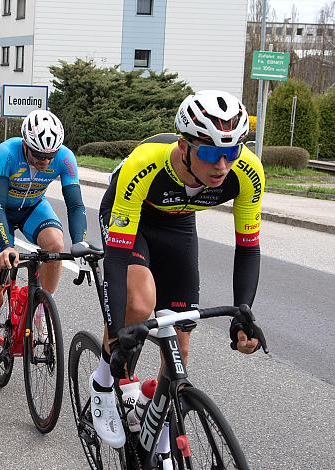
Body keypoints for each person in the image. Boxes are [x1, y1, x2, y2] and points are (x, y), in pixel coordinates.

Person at [90, 90, 265, 447]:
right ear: (185, 146)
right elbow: (118, 258)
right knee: (139, 305)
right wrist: (116, 329)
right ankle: (102, 383)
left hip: (178, 225)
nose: (222, 165)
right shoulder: (147, 163)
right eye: (211, 153)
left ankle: (153, 418)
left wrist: (242, 314)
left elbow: (248, 248)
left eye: (231, 152)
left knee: (179, 345)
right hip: (132, 220)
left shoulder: (247, 172)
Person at [0, 110, 87, 367]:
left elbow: (75, 205)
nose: (45, 162)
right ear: (25, 145)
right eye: (38, 155)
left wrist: (80, 243)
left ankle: (40, 310)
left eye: (50, 156)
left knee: (55, 245)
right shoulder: (6, 153)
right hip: (0, 210)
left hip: (33, 208)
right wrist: (7, 246)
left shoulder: (66, 157)